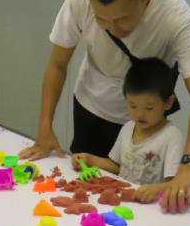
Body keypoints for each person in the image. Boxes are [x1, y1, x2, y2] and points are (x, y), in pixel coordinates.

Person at [18, 0, 190, 214]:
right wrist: (44, 128)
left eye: (122, 19)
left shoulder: (174, 14)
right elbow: (57, 64)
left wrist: (188, 164)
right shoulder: (79, 0)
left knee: (139, 205)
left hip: (147, 120)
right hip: (92, 106)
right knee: (84, 197)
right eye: (102, 20)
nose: (112, 28)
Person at [71, 59, 184, 203]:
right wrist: (89, 159)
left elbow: (175, 184)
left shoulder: (171, 136)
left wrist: (157, 189)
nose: (140, 114)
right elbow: (117, 166)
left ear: (168, 102)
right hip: (123, 200)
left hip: (150, 207)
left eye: (149, 108)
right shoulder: (128, 128)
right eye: (132, 106)